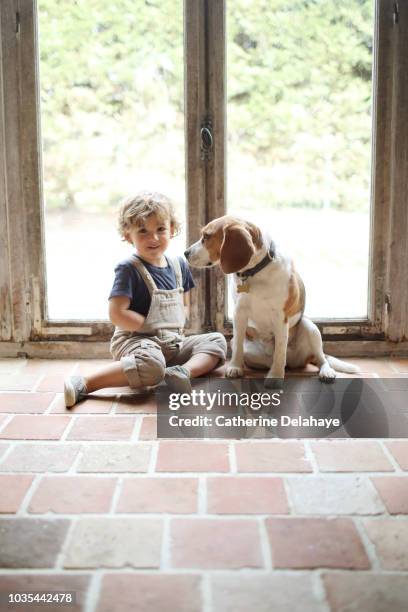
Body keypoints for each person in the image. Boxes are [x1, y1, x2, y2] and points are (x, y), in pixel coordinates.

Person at [63, 191, 227, 407]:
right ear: (127, 235)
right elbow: (117, 314)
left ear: (172, 229)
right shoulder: (129, 269)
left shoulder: (179, 265)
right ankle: (85, 383)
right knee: (151, 365)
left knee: (217, 341)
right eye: (143, 231)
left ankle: (180, 373)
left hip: (171, 343)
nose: (154, 238)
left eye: (160, 229)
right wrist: (148, 326)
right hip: (136, 341)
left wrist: (173, 333)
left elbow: (183, 304)